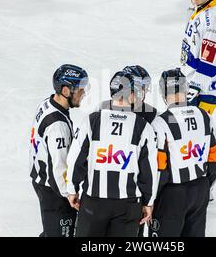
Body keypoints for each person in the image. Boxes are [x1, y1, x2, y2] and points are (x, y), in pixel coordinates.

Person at [66, 71, 158, 237]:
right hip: (128, 204)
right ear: (131, 94)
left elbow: (75, 158)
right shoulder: (144, 127)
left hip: (94, 201)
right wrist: (148, 202)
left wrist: (72, 190)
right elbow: (149, 170)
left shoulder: (91, 120)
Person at [148, 68, 216, 237]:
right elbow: (215, 159)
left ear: (163, 92)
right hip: (200, 190)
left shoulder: (160, 122)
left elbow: (159, 169)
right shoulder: (205, 116)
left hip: (172, 195)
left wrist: (150, 200)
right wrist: (205, 186)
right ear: (186, 89)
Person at [29, 64, 89, 237]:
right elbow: (59, 168)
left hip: (42, 180)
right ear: (65, 90)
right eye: (79, 89)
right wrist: (70, 194)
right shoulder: (58, 126)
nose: (83, 93)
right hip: (54, 192)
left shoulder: (48, 104)